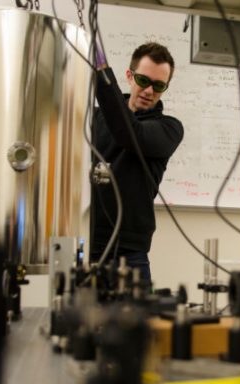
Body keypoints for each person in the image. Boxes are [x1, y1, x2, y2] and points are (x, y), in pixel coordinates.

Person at [90, 42, 184, 281]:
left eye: (159, 85)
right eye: (143, 81)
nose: (149, 91)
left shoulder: (169, 129)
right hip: (88, 244)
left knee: (135, 320)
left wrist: (99, 69)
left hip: (131, 253)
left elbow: (128, 133)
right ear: (129, 76)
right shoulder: (96, 118)